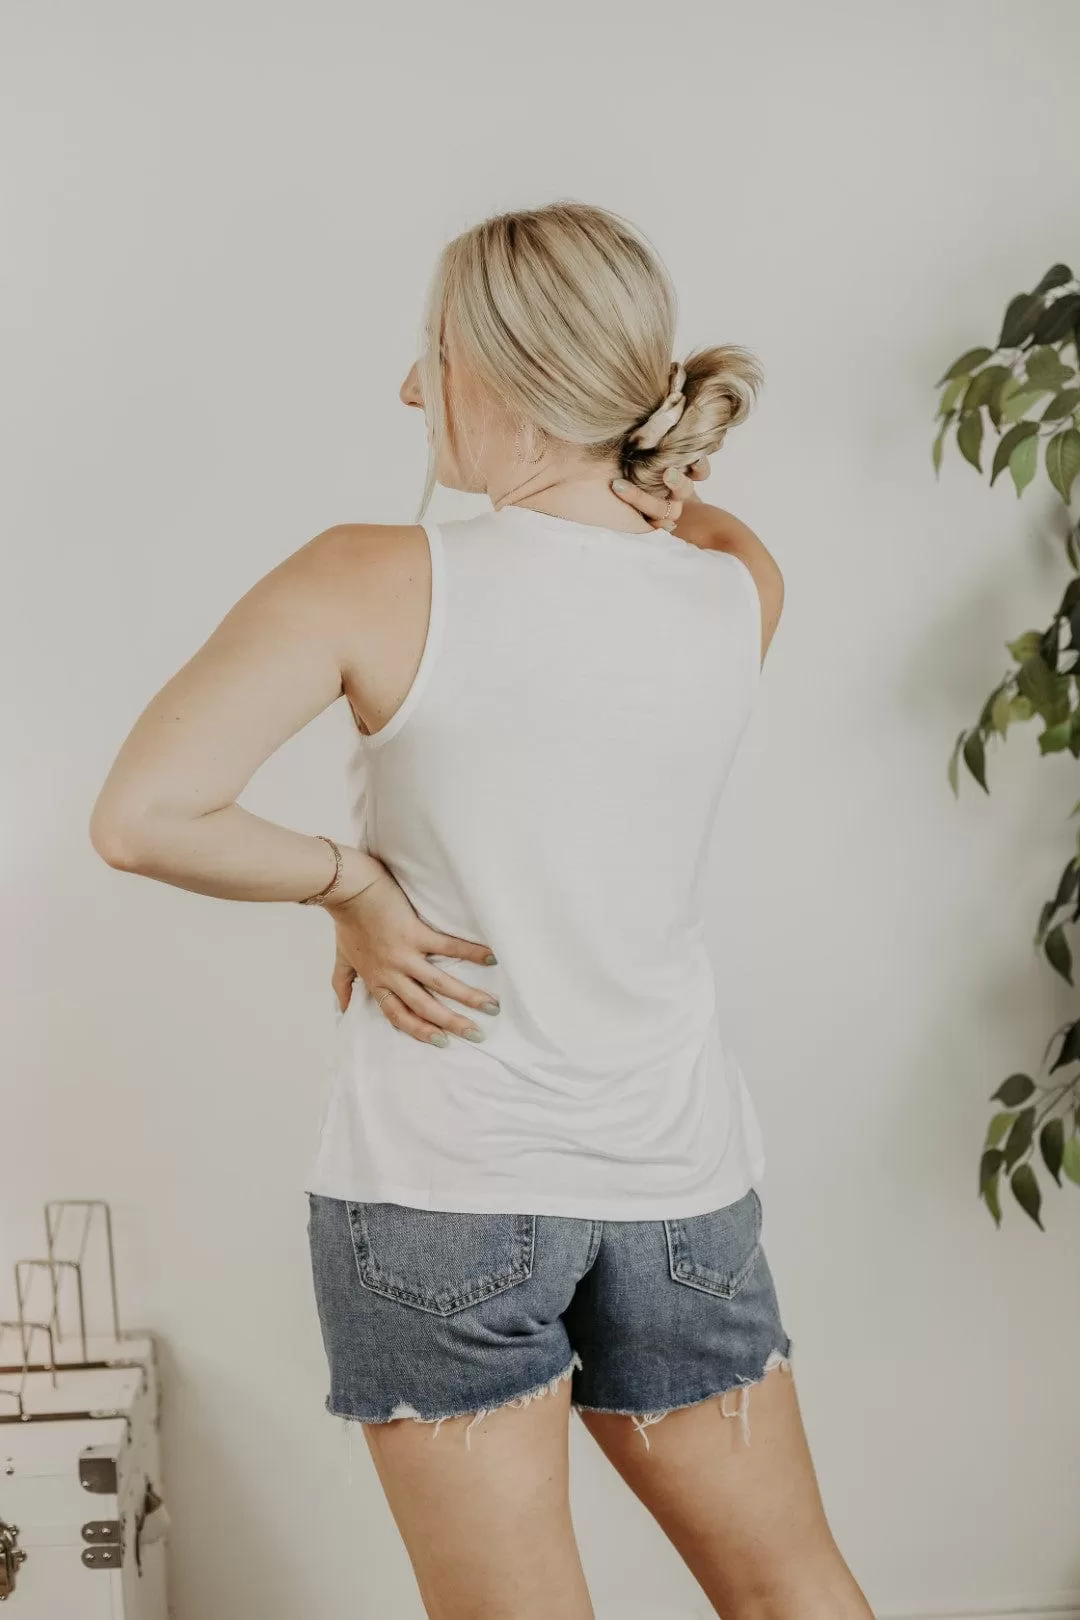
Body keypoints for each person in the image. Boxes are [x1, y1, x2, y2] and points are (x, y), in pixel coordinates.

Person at [89, 201, 874, 1619]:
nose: (407, 389)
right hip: (678, 1188)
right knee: (793, 1591)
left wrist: (352, 886)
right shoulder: (736, 588)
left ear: (507, 380)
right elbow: (697, 524)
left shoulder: (371, 575)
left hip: (443, 1192)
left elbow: (143, 818)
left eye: (431, 354)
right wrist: (653, 476)